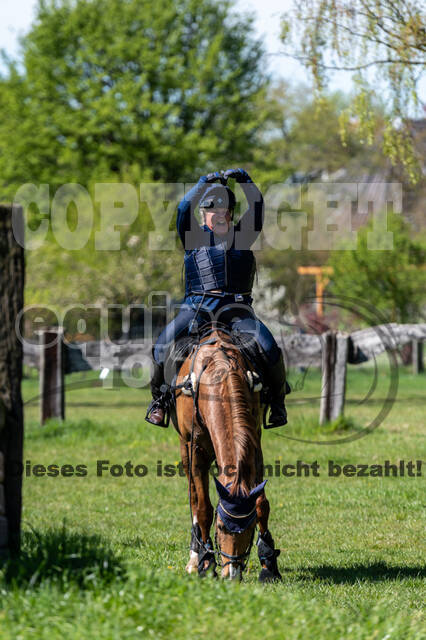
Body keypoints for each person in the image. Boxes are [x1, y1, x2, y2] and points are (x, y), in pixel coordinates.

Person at [145, 168, 289, 428]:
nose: (219, 215)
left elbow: (257, 205)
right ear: (204, 214)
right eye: (213, 211)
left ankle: (277, 404)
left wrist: (245, 180)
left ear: (231, 214)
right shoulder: (193, 235)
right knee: (161, 345)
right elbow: (182, 208)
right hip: (197, 309)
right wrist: (202, 183)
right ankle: (159, 402)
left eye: (224, 211)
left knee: (269, 347)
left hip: (238, 311)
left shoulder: (244, 235)